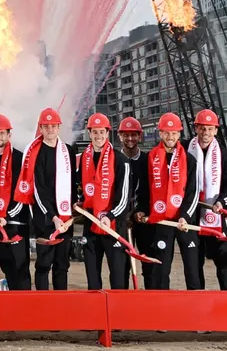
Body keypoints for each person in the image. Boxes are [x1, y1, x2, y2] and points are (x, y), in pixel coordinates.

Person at [133, 113, 200, 290]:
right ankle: (163, 307)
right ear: (160, 133)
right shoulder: (150, 158)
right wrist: (141, 209)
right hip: (161, 221)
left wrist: (185, 216)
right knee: (161, 269)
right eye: (166, 132)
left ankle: (196, 307)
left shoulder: (190, 160)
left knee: (193, 269)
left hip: (184, 222)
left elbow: (193, 193)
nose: (170, 137)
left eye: (174, 133)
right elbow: (144, 190)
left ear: (179, 134)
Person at [14, 107, 78, 291]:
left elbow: (74, 183)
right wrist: (53, 217)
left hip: (66, 218)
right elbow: (38, 191)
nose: (50, 129)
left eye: (53, 126)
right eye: (46, 126)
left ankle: (61, 305)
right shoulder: (36, 153)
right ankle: (43, 303)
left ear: (59, 127)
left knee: (62, 265)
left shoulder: (68, 152)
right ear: (40, 128)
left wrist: (74, 206)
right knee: (43, 265)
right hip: (45, 219)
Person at [78, 113, 139, 290]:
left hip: (113, 226)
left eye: (102, 132)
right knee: (92, 277)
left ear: (107, 133)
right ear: (89, 133)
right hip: (91, 224)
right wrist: (80, 201)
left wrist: (110, 215)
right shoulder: (84, 158)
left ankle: (119, 313)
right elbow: (84, 188)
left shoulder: (121, 161)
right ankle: (94, 313)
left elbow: (124, 198)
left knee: (118, 277)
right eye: (94, 132)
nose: (98, 136)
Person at [188, 109, 227, 290]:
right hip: (192, 218)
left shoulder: (224, 154)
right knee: (194, 266)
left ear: (215, 130)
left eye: (209, 129)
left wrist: (221, 202)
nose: (205, 133)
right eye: (202, 128)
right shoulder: (186, 149)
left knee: (224, 266)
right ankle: (196, 302)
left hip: (217, 218)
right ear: (196, 129)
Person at [0, 113, 30, 290]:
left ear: (9, 135)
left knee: (21, 269)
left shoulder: (20, 158)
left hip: (16, 223)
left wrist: (8, 215)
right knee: (7, 268)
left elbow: (24, 191)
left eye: (2, 133)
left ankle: (26, 307)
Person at [113, 117, 149, 286]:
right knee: (122, 264)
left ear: (139, 136)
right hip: (121, 220)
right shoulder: (113, 160)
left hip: (143, 219)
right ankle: (122, 300)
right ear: (120, 136)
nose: (130, 139)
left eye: (133, 135)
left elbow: (150, 191)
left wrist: (140, 210)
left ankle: (151, 300)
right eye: (125, 135)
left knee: (147, 260)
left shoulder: (147, 161)